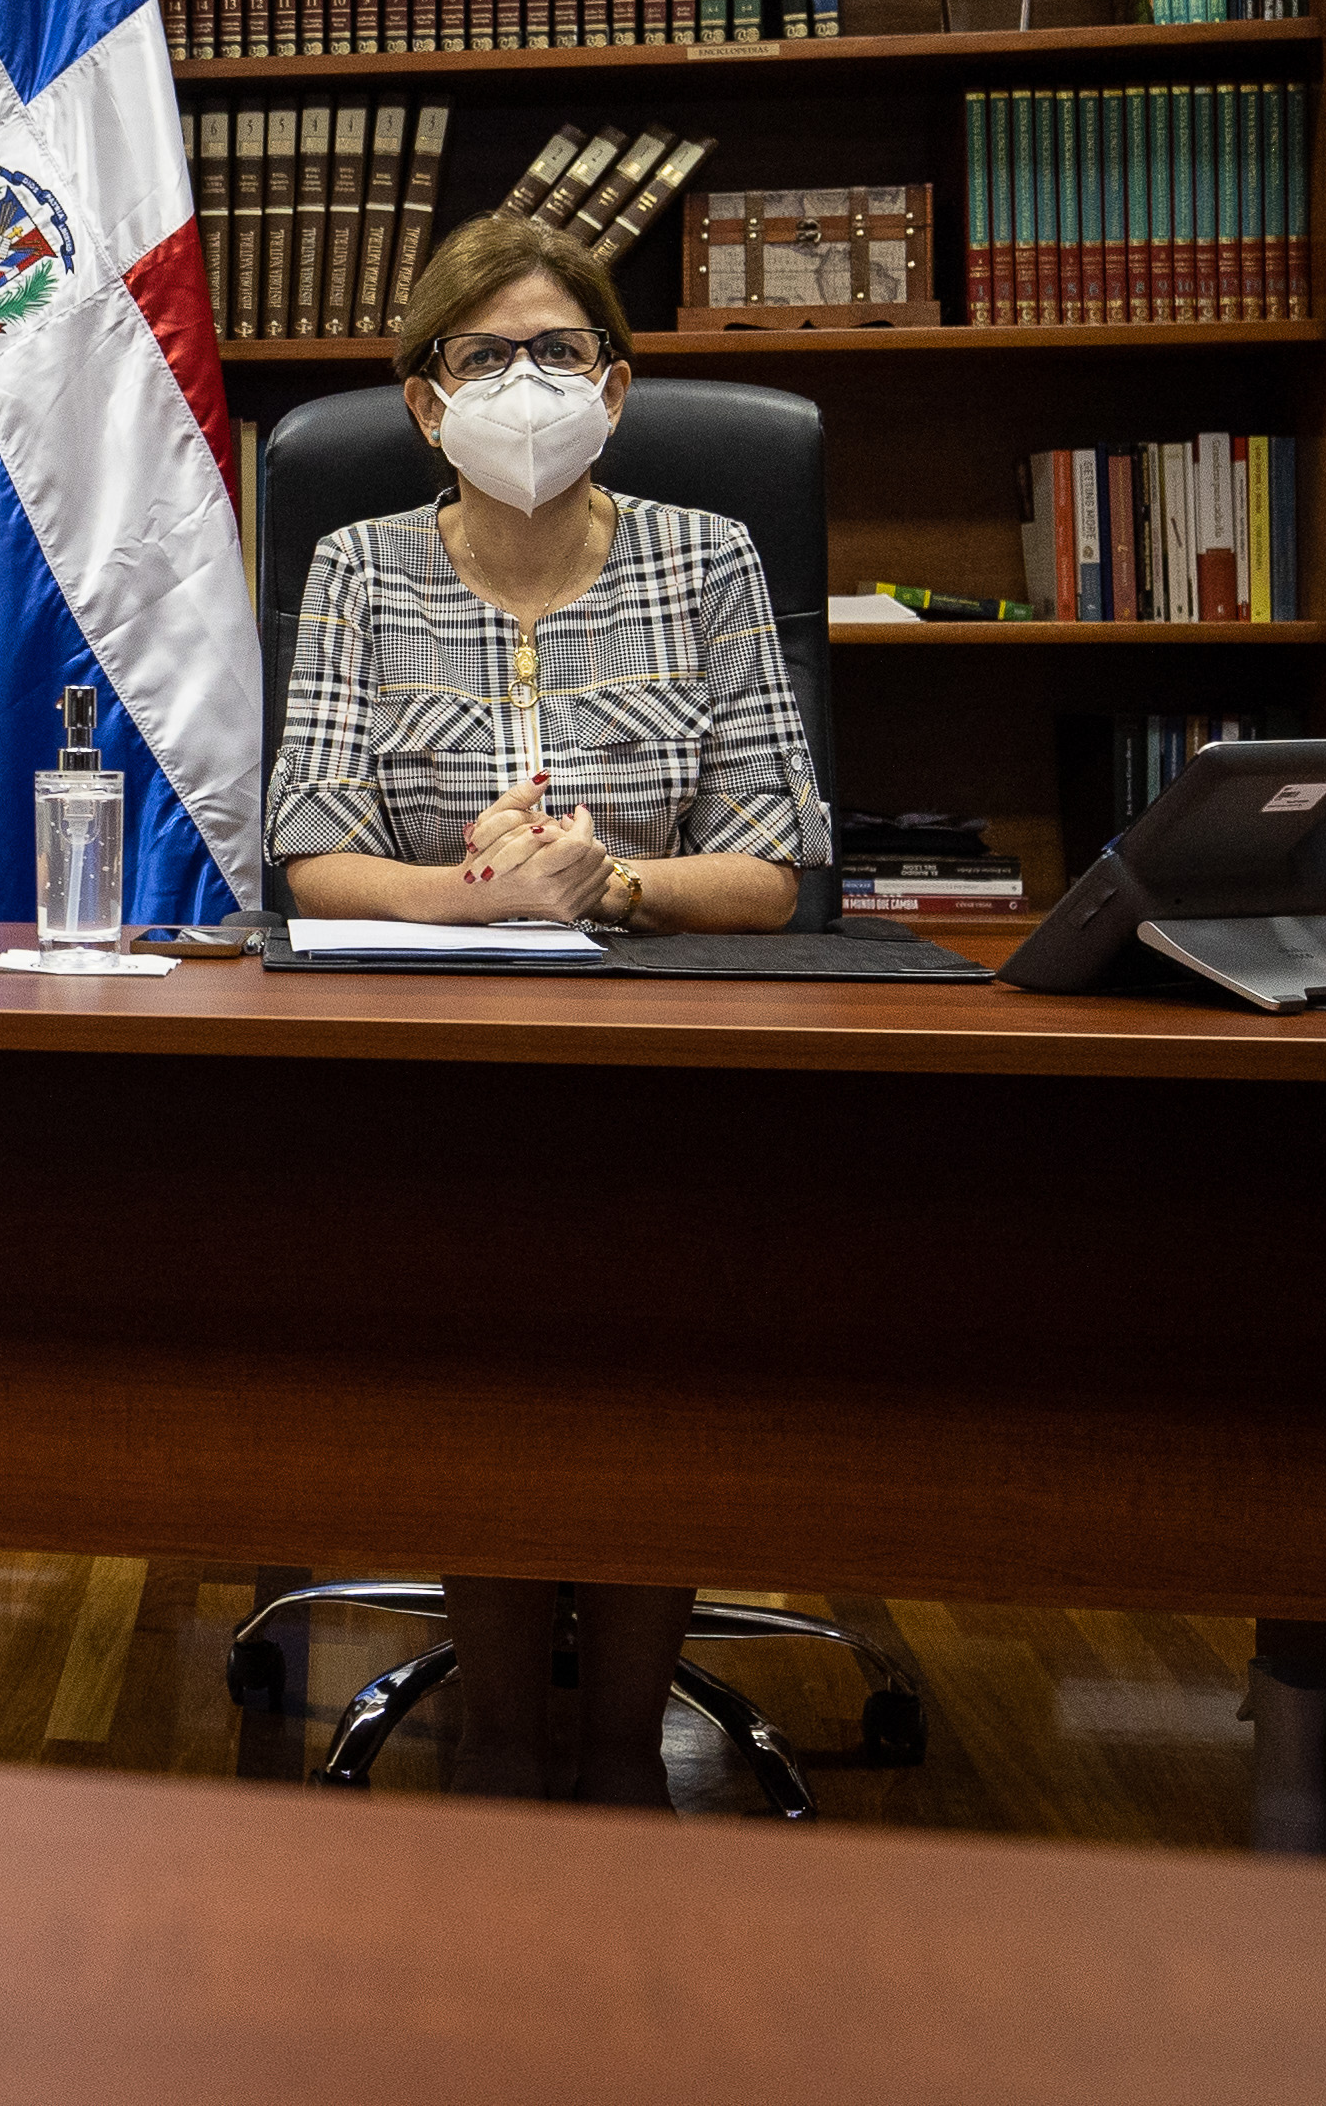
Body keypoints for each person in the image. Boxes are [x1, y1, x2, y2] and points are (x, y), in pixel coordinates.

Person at [264, 213, 832, 1804]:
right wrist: (472, 899)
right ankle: (506, 1737)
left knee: (653, 1313)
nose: (525, 383)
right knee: (485, 1300)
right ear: (424, 401)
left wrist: (609, 884)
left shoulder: (706, 558)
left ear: (615, 386)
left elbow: (773, 872)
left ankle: (617, 1744)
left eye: (558, 352)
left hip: (673, 1060)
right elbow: (309, 853)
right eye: (483, 356)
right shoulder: (358, 566)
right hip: (431, 1063)